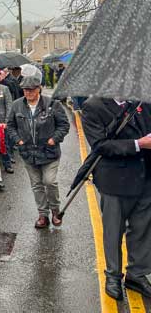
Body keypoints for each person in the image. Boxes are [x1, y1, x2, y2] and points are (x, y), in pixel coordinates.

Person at [81, 97, 151, 300]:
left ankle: (136, 274)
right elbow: (101, 145)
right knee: (113, 230)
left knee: (142, 229)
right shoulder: (92, 106)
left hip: (145, 177)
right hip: (115, 180)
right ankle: (113, 275)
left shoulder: (143, 102)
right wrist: (139, 144)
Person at [6, 68, 69, 228]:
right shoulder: (16, 106)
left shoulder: (52, 104)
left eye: (32, 89)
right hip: (28, 153)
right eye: (25, 90)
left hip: (49, 152)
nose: (28, 93)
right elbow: (10, 126)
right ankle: (43, 215)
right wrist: (18, 140)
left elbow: (64, 125)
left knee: (49, 181)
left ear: (39, 88)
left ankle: (55, 210)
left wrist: (54, 140)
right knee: (36, 185)